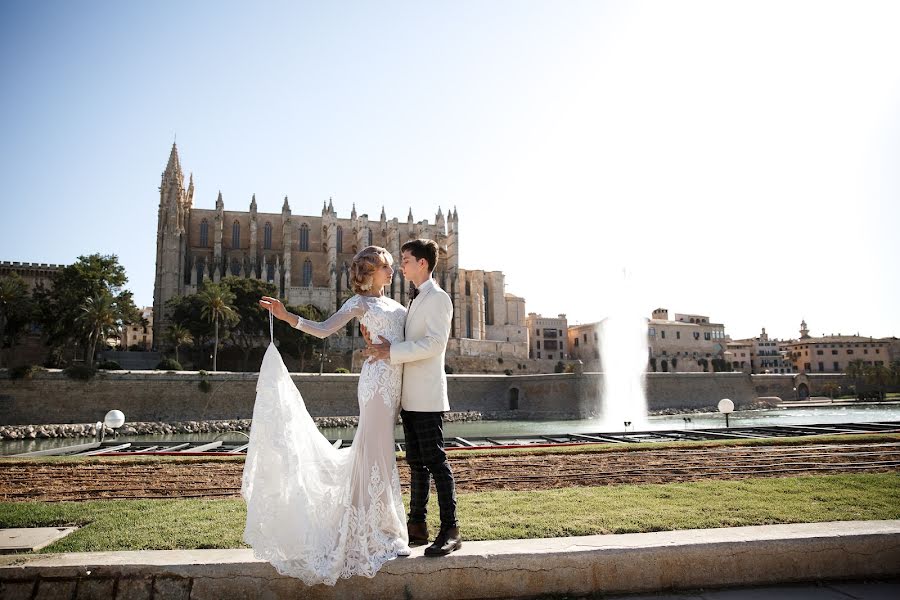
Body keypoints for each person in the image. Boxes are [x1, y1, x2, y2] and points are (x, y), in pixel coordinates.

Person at [242, 246, 410, 586]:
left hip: (395, 386)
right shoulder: (359, 303)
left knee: (376, 454)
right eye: (387, 267)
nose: (392, 273)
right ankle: (375, 531)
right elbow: (322, 329)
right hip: (376, 384)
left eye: (393, 267)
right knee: (375, 454)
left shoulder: (397, 305)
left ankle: (378, 526)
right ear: (371, 271)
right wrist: (287, 316)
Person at [363, 238, 461, 557]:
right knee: (416, 463)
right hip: (409, 395)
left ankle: (451, 529)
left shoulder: (439, 298)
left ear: (422, 263)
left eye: (405, 259)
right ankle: (416, 525)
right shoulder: (415, 298)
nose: (400, 265)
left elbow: (435, 344)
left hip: (427, 395)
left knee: (435, 461)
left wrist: (393, 351)